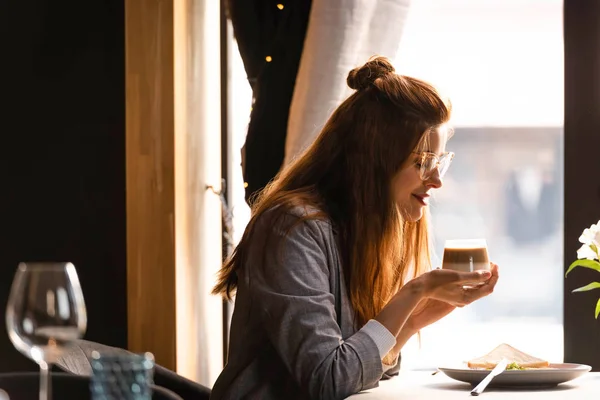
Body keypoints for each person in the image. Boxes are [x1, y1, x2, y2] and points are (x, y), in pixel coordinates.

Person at [210, 56, 500, 400]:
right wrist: (414, 291)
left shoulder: (366, 224)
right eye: (422, 163)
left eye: (439, 162)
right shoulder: (292, 228)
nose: (436, 180)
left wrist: (413, 320)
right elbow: (330, 381)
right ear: (374, 161)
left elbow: (369, 367)